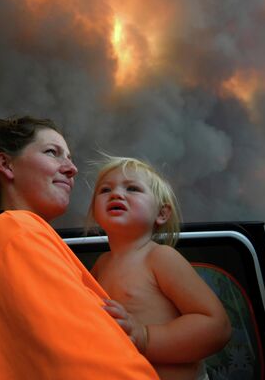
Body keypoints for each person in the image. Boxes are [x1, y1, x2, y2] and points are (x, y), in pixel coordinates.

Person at [0, 116, 158, 379]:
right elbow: (91, 367)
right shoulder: (16, 233)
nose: (72, 168)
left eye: (70, 157)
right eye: (53, 152)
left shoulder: (9, 237)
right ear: (6, 164)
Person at [87, 156, 231, 380]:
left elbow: (216, 326)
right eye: (105, 190)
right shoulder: (100, 266)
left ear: (162, 213)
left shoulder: (160, 257)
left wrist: (145, 337)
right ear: (95, 212)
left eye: (133, 188)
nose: (116, 194)